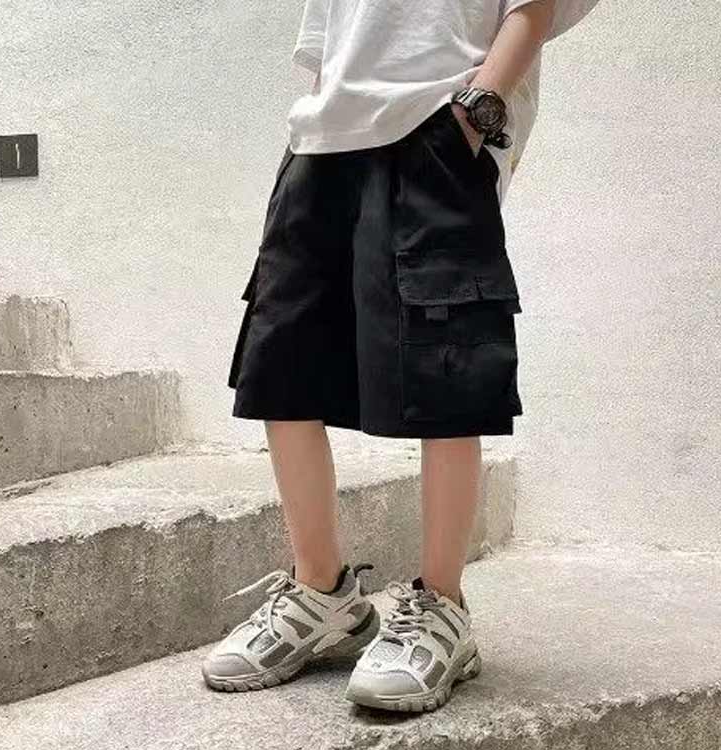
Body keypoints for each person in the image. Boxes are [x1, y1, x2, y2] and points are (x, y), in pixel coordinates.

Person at [203, 0, 600, 713]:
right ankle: (322, 591)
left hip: (436, 126)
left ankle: (443, 606)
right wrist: (317, 118)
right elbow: (329, 38)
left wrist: (475, 115)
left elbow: (533, 7)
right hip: (319, 140)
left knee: (448, 368)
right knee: (279, 360)